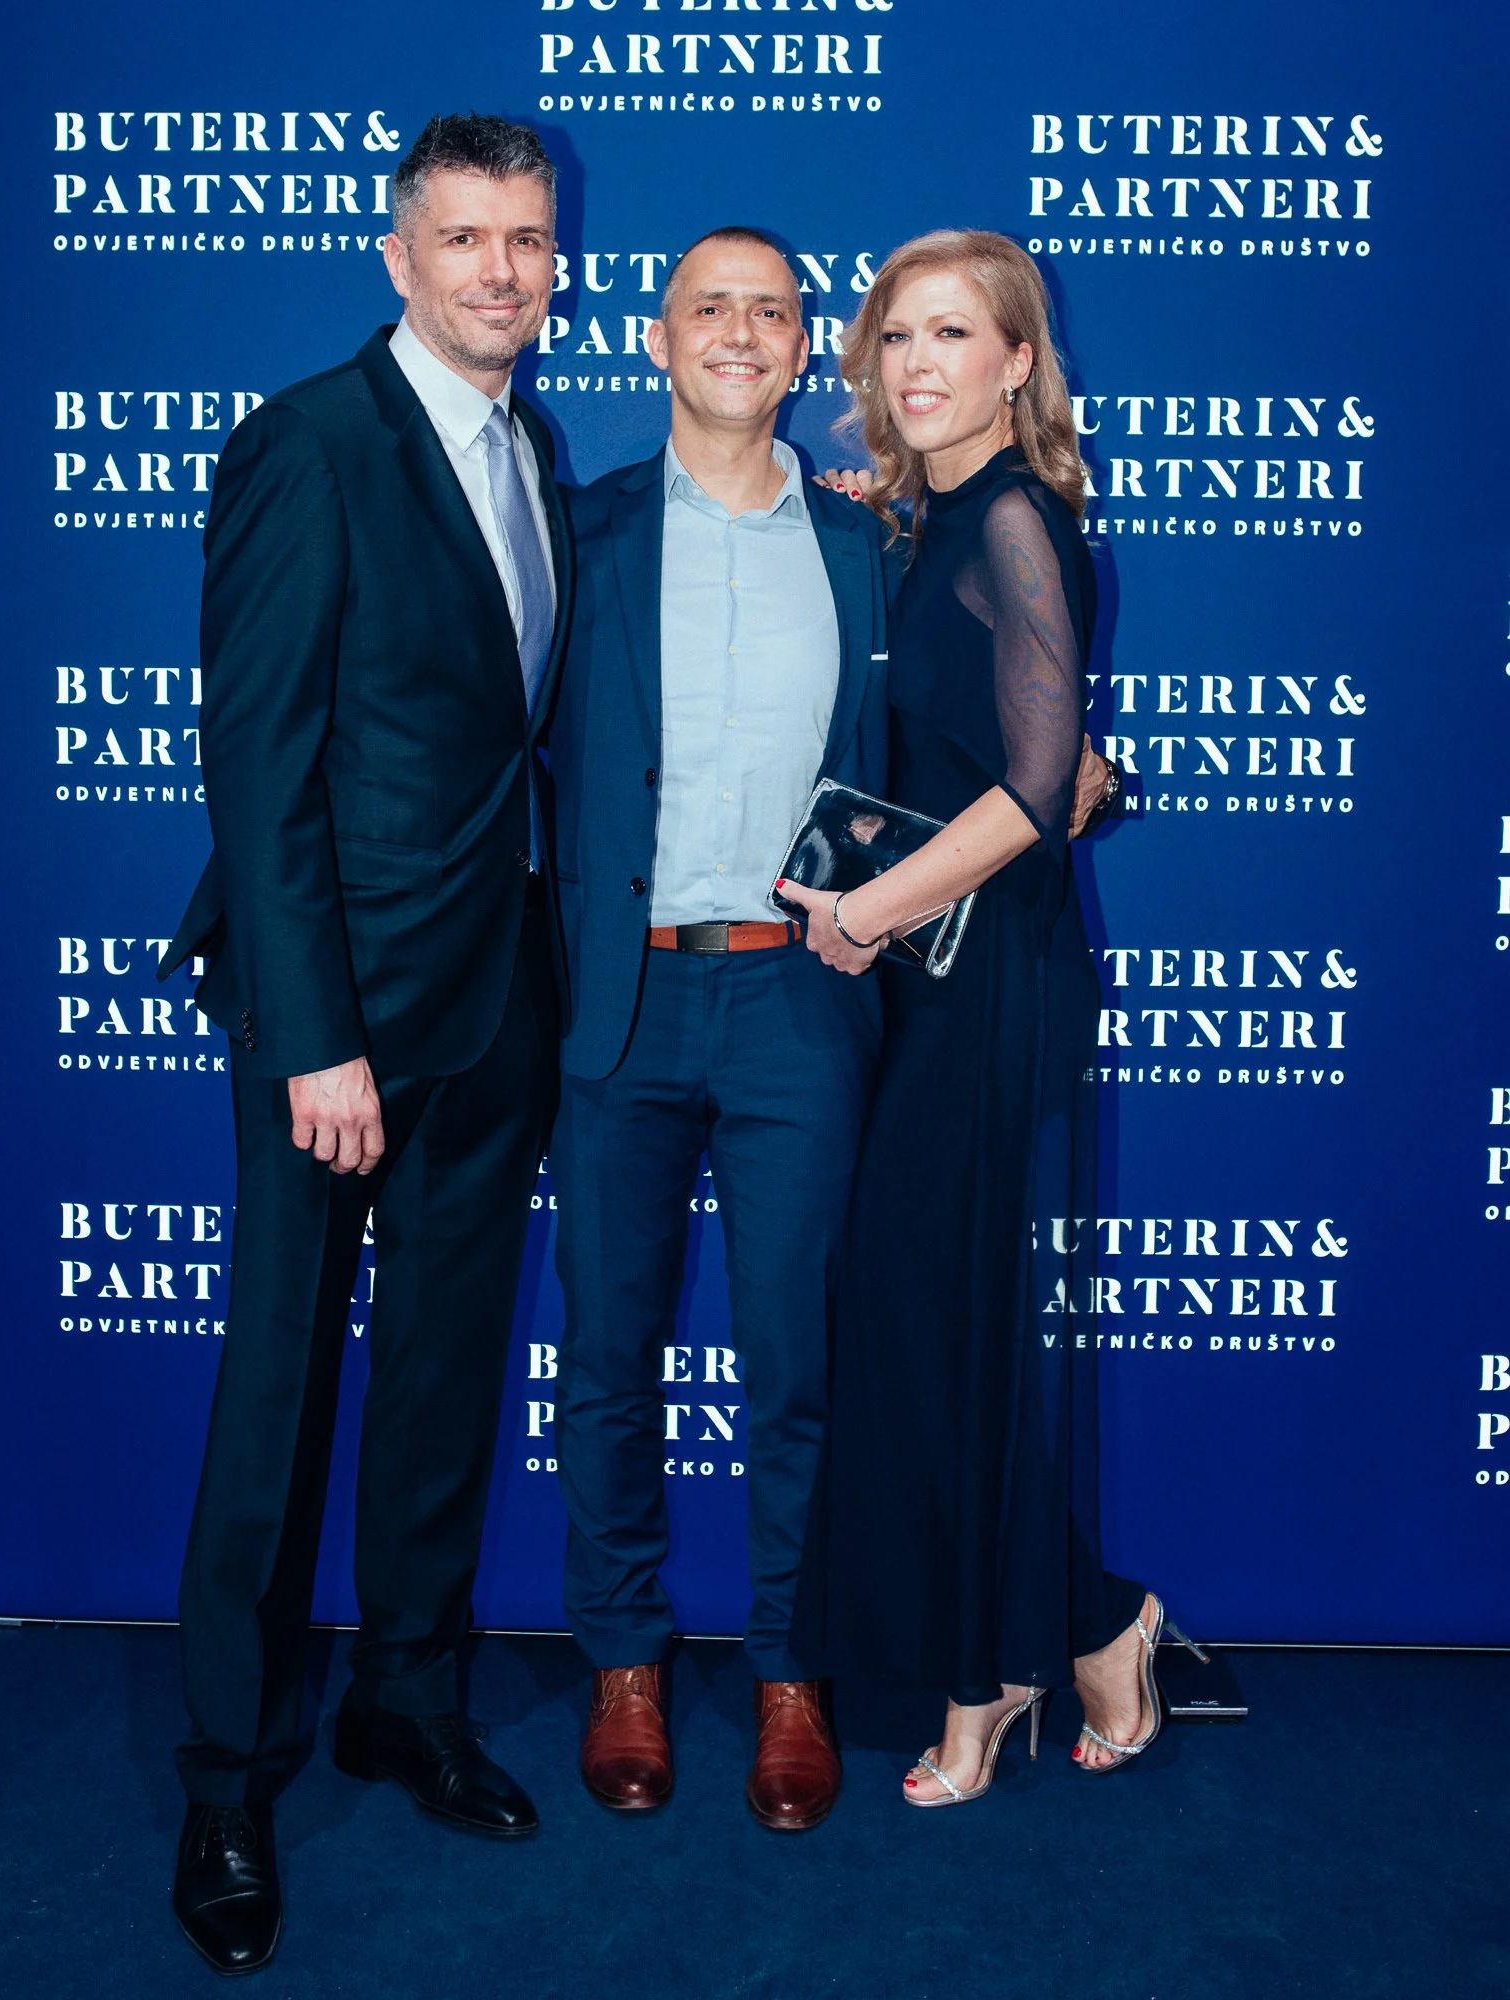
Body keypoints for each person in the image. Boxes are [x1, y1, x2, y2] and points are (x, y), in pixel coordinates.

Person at [547, 225, 1117, 1830]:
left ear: (808, 354)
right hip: (623, 999)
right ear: (659, 340)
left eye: (773, 311)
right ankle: (625, 1666)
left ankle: (793, 1670)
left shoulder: (871, 541)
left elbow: (993, 721)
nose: (741, 331)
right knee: (604, 1358)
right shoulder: (579, 535)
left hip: (808, 1001)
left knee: (805, 1361)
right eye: (707, 307)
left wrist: (1085, 772)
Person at [154, 115, 571, 1972]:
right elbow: (255, 761)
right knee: (278, 1400)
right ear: (394, 256)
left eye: (529, 239)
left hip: (494, 1008)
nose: (500, 269)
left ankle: (406, 1700)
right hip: (333, 1024)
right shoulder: (309, 444)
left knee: (441, 1382)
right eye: (465, 237)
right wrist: (314, 1037)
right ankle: (228, 1777)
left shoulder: (536, 445)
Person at [784, 231, 1163, 1807]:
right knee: (922, 1333)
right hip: (923, 988)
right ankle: (1082, 1623)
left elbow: (1024, 788)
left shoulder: (1015, 520)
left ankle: (990, 1681)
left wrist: (870, 910)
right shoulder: (911, 519)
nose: (919, 361)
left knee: (949, 1333)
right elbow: (1036, 752)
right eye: (896, 335)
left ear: (1021, 363)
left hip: (983, 982)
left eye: (957, 333)